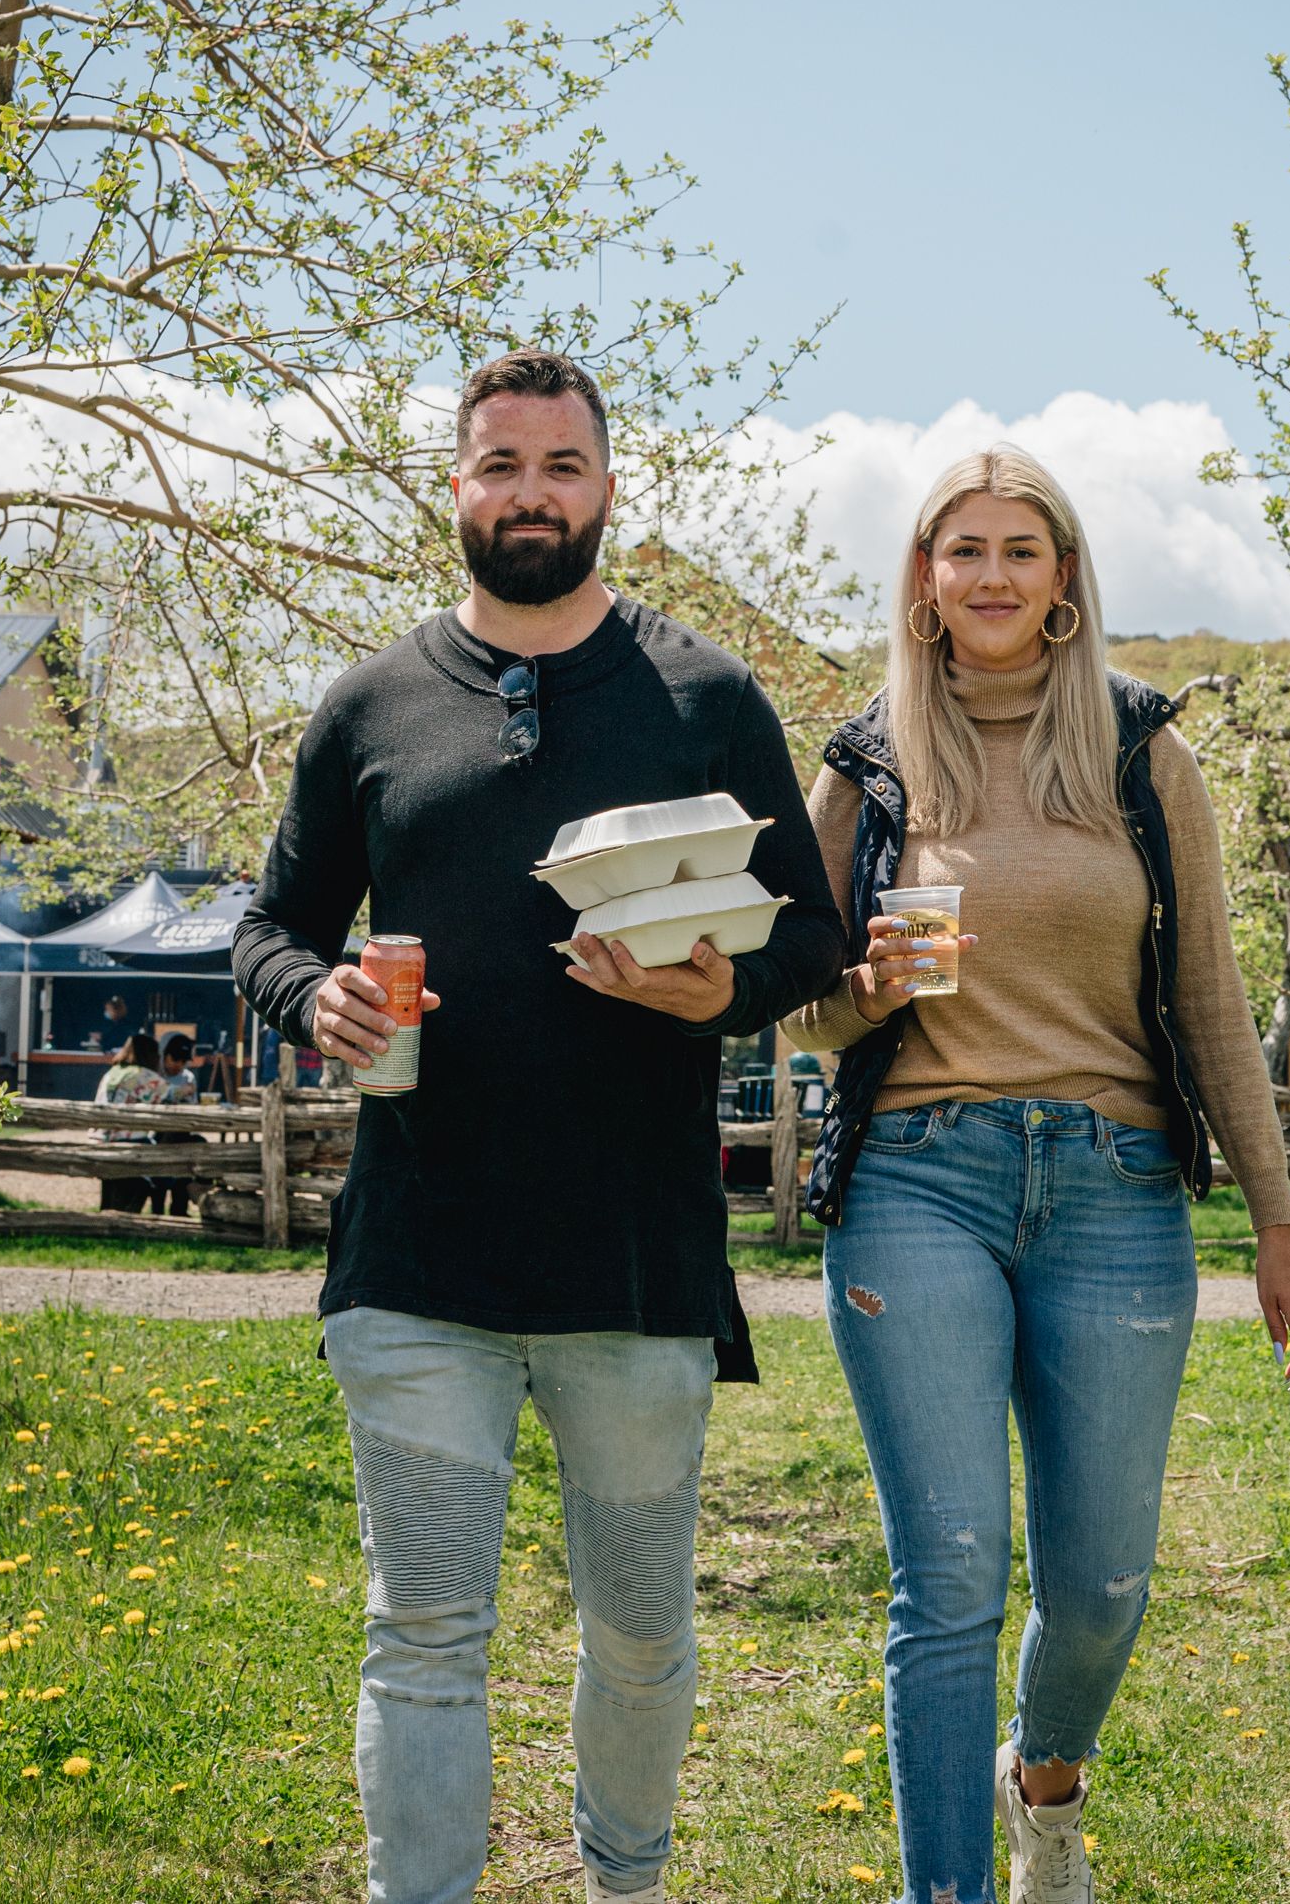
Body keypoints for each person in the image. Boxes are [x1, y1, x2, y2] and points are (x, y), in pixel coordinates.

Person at [233, 349, 845, 1904]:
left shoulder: (703, 695)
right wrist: (313, 1000)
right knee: (423, 1631)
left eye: (561, 465)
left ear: (608, 488)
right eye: (500, 463)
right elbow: (268, 930)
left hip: (632, 1262)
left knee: (640, 1631)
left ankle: (622, 1888)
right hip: (417, 1253)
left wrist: (713, 991)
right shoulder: (369, 705)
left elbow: (815, 938)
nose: (530, 492)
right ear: (455, 483)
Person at [785, 446, 1290, 1904]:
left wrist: (1278, 1227)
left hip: (1114, 1187)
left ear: (1067, 578)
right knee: (950, 1573)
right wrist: (870, 991)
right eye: (963, 550)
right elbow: (802, 1010)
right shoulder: (866, 762)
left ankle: (1046, 1783)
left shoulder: (1144, 751)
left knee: (1099, 1582)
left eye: (1023, 549)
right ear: (925, 577)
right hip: (918, 1179)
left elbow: (1210, 996)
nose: (993, 575)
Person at [94, 1033, 162, 1211]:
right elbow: (168, 1097)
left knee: (110, 1190)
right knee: (162, 1163)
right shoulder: (146, 1076)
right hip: (131, 1140)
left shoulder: (112, 1073)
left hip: (101, 1139)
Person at [149, 1036, 201, 1218]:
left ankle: (179, 1208)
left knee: (186, 1163)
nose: (179, 1065)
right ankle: (157, 1209)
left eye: (183, 1061)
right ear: (166, 1056)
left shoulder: (188, 1077)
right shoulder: (154, 1074)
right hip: (157, 1131)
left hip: (181, 1129)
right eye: (176, 1060)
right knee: (160, 1168)